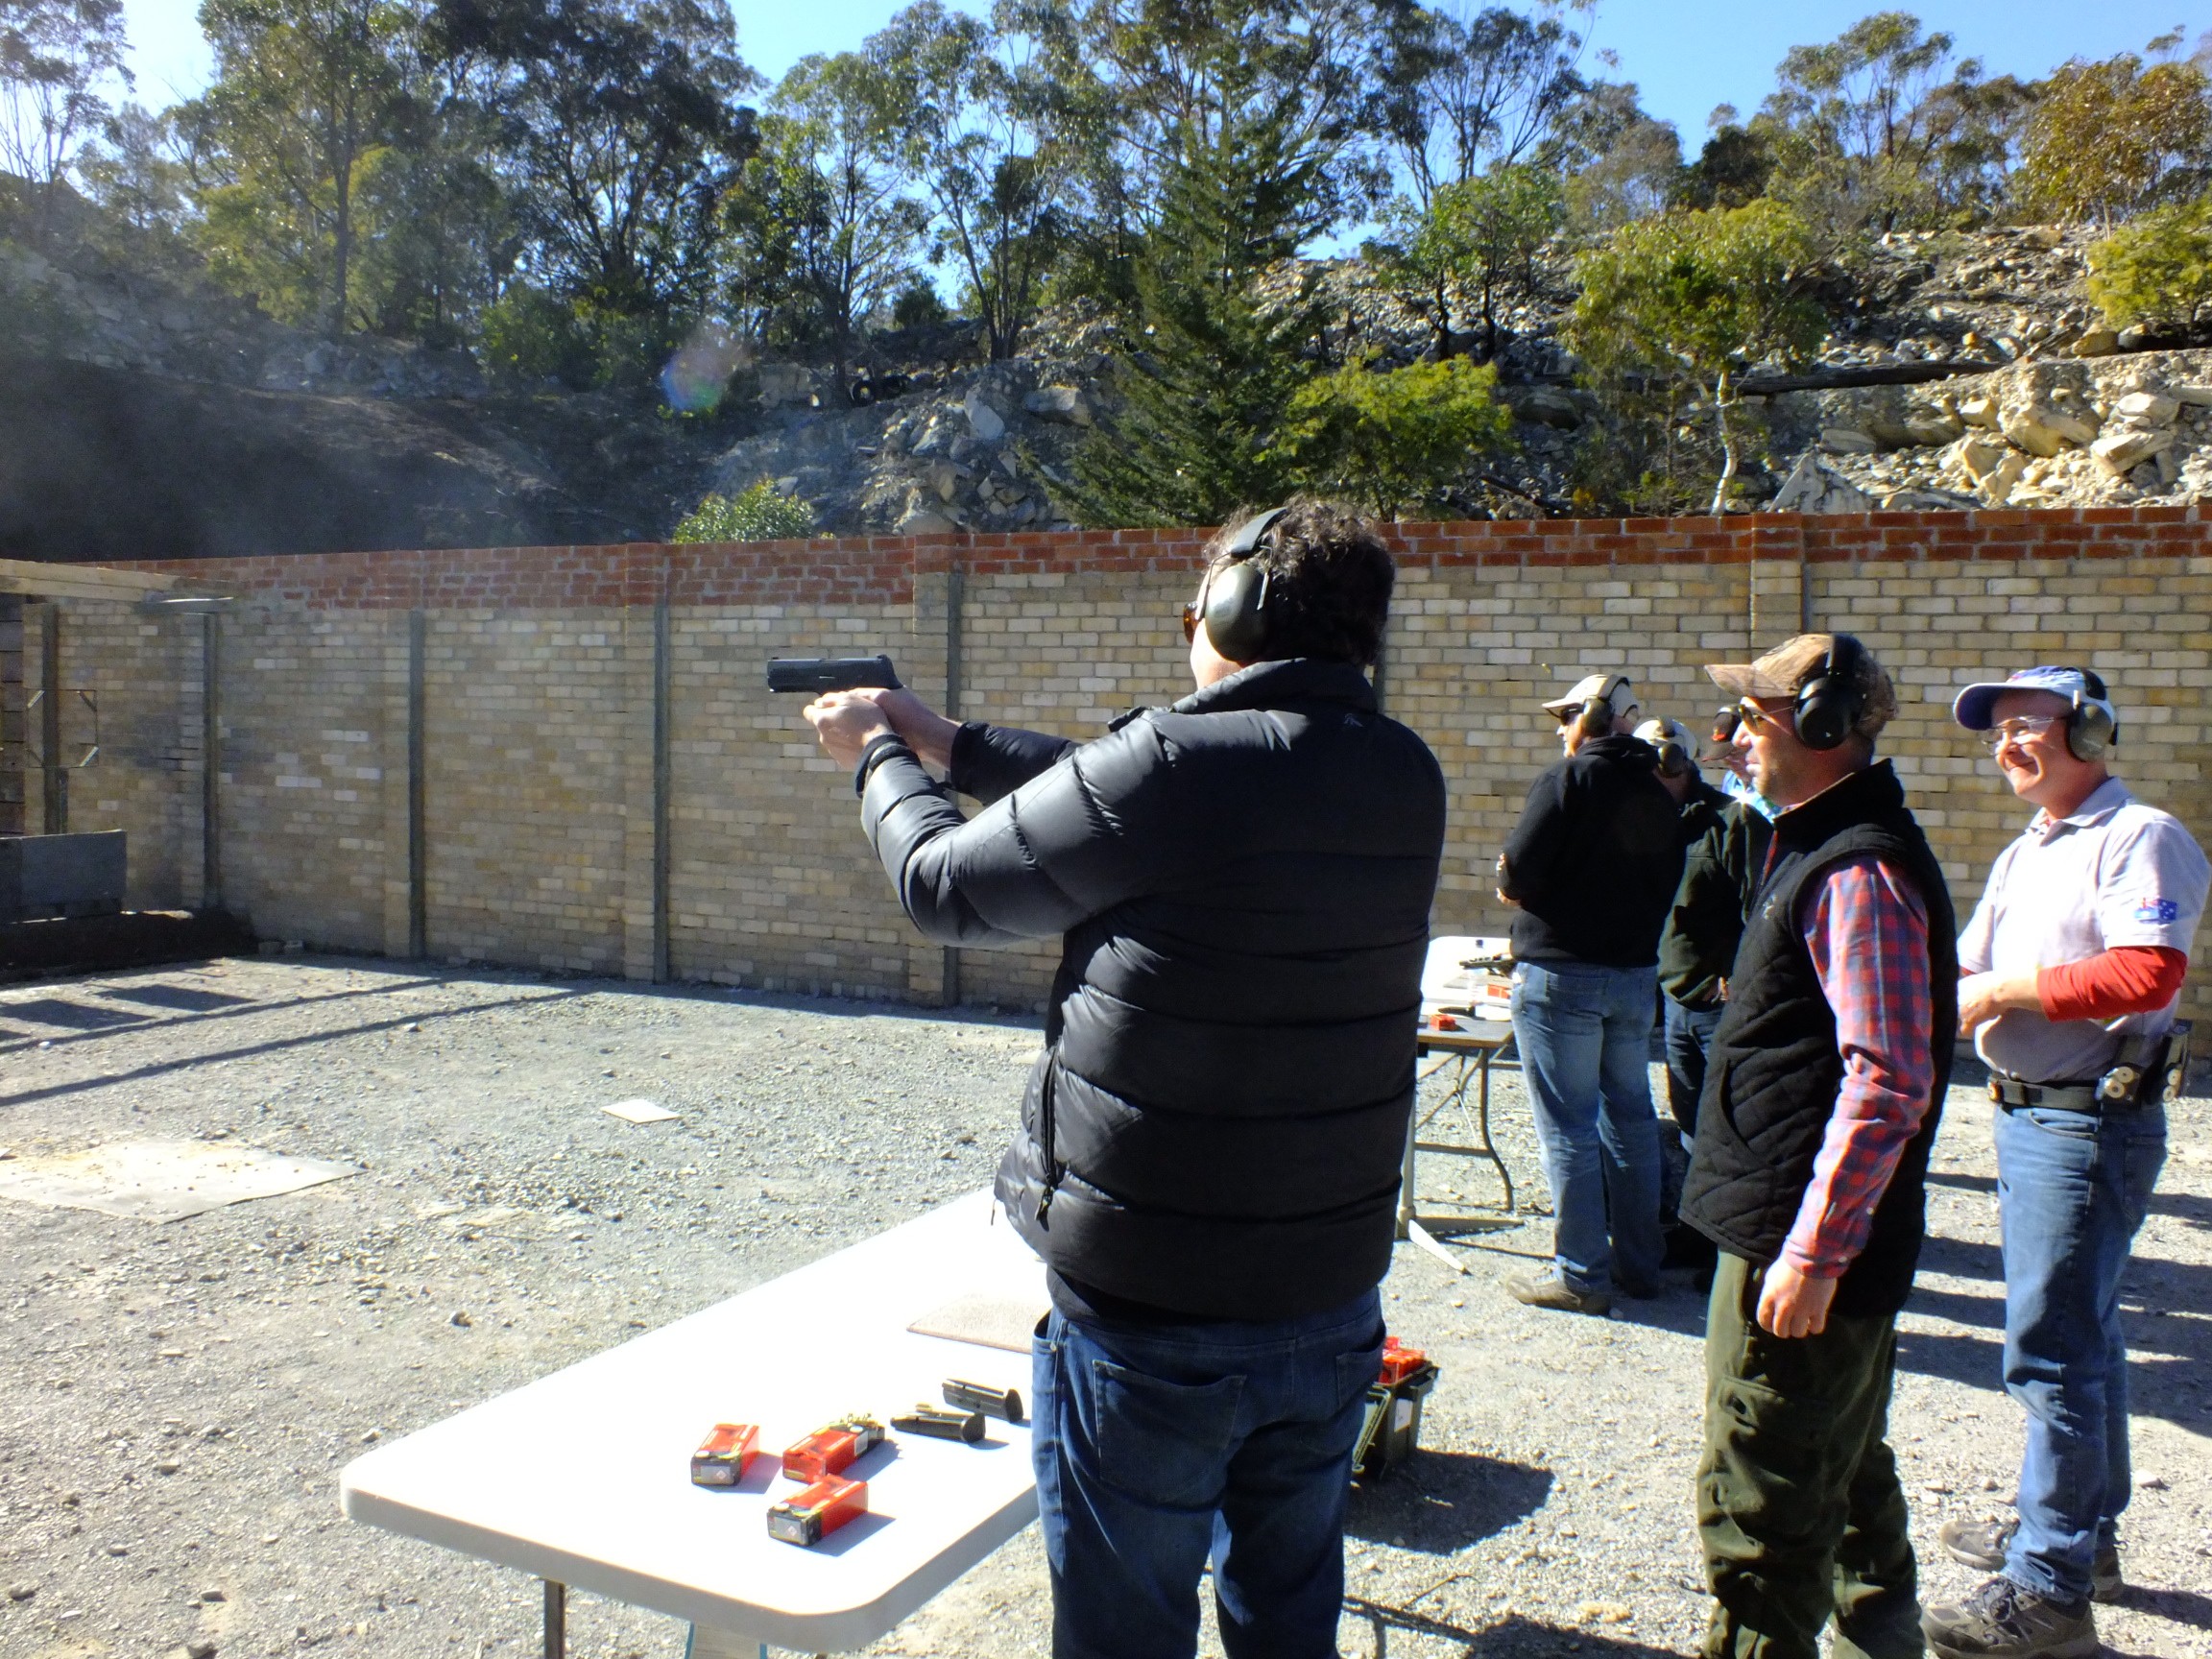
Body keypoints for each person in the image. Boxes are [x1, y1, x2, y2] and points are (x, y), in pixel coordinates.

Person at [800, 499, 1446, 1659]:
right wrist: (950, 739)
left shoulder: (1176, 768)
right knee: (1289, 1622)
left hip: (1157, 1321)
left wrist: (880, 758)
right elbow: (1124, 795)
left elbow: (945, 884)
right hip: (1330, 1300)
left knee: (1122, 1637)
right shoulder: (1400, 771)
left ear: (1238, 610)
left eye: (1203, 599)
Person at [1920, 666, 2208, 1659]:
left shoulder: (2141, 838)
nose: (2006, 745)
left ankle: (2048, 1589)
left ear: (2090, 730)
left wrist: (2007, 990)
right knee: (2084, 1335)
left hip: (2088, 1125)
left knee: (2053, 1351)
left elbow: (2145, 971)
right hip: (2032, 1119)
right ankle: (2082, 1543)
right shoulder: (2029, 849)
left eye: (2027, 726)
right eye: (1997, 732)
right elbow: (1970, 970)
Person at [1678, 633, 1956, 1659]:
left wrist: (1811, 1253)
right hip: (1798, 1224)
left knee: (1769, 1489)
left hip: (1802, 1240)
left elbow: (1888, 1080)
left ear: (1823, 728)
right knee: (1840, 1443)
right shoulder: (1817, 842)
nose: (1735, 739)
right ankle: (1881, 1624)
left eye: (1753, 718)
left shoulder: (1858, 870)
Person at [1497, 671, 1684, 1314]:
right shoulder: (1659, 794)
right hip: (1633, 979)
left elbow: (1516, 873)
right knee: (1630, 1122)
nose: (1560, 728)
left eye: (1567, 716)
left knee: (1570, 1129)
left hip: (1563, 978)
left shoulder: (1567, 780)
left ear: (1591, 718)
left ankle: (1581, 1276)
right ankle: (1640, 1268)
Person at [1651, 713, 1770, 1278]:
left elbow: (1764, 912)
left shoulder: (1734, 822)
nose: (1654, 770)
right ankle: (1701, 1240)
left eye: (1664, 758)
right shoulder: (1647, 822)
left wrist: (1740, 979)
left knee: (1731, 1132)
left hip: (1719, 1002)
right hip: (1677, 998)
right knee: (1694, 1128)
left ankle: (1735, 1254)